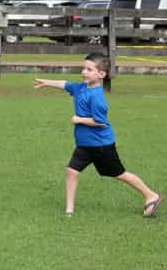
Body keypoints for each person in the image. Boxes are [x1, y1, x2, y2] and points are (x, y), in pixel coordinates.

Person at [34, 53, 162, 217]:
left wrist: (78, 119)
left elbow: (100, 122)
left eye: (89, 69)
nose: (84, 72)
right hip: (84, 145)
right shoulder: (80, 88)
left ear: (101, 74)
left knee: (119, 174)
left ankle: (151, 195)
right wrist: (47, 83)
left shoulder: (97, 97)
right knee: (72, 172)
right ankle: (69, 211)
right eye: (83, 68)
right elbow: (65, 84)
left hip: (101, 145)